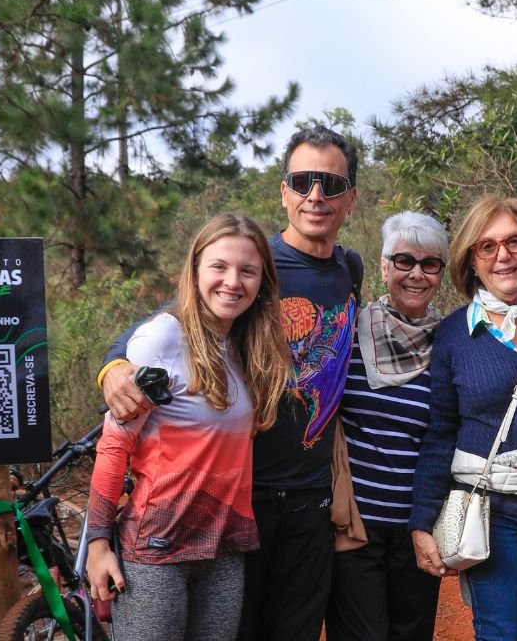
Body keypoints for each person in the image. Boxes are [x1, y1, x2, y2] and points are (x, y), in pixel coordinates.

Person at [100, 125, 363, 641]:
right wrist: (114, 367)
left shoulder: (348, 268)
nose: (315, 195)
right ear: (283, 192)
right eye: (303, 181)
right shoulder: (253, 263)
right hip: (241, 497)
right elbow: (167, 324)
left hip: (310, 496)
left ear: (350, 198)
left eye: (331, 184)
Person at [85, 212, 290, 641]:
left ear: (262, 281)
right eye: (219, 266)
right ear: (195, 271)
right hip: (157, 547)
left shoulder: (244, 346)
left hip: (224, 546)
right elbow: (114, 445)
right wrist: (98, 544)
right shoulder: (162, 338)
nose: (232, 281)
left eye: (247, 271)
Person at [409, 196, 517, 641]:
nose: (503, 255)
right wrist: (422, 520)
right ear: (471, 261)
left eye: (515, 241)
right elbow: (440, 432)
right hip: (490, 513)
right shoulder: (454, 334)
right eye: (487, 246)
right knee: (502, 632)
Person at [326, 211, 450, 641]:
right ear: (383, 267)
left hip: (418, 526)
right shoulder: (349, 332)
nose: (416, 274)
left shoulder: (449, 343)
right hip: (354, 525)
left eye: (429, 264)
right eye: (404, 261)